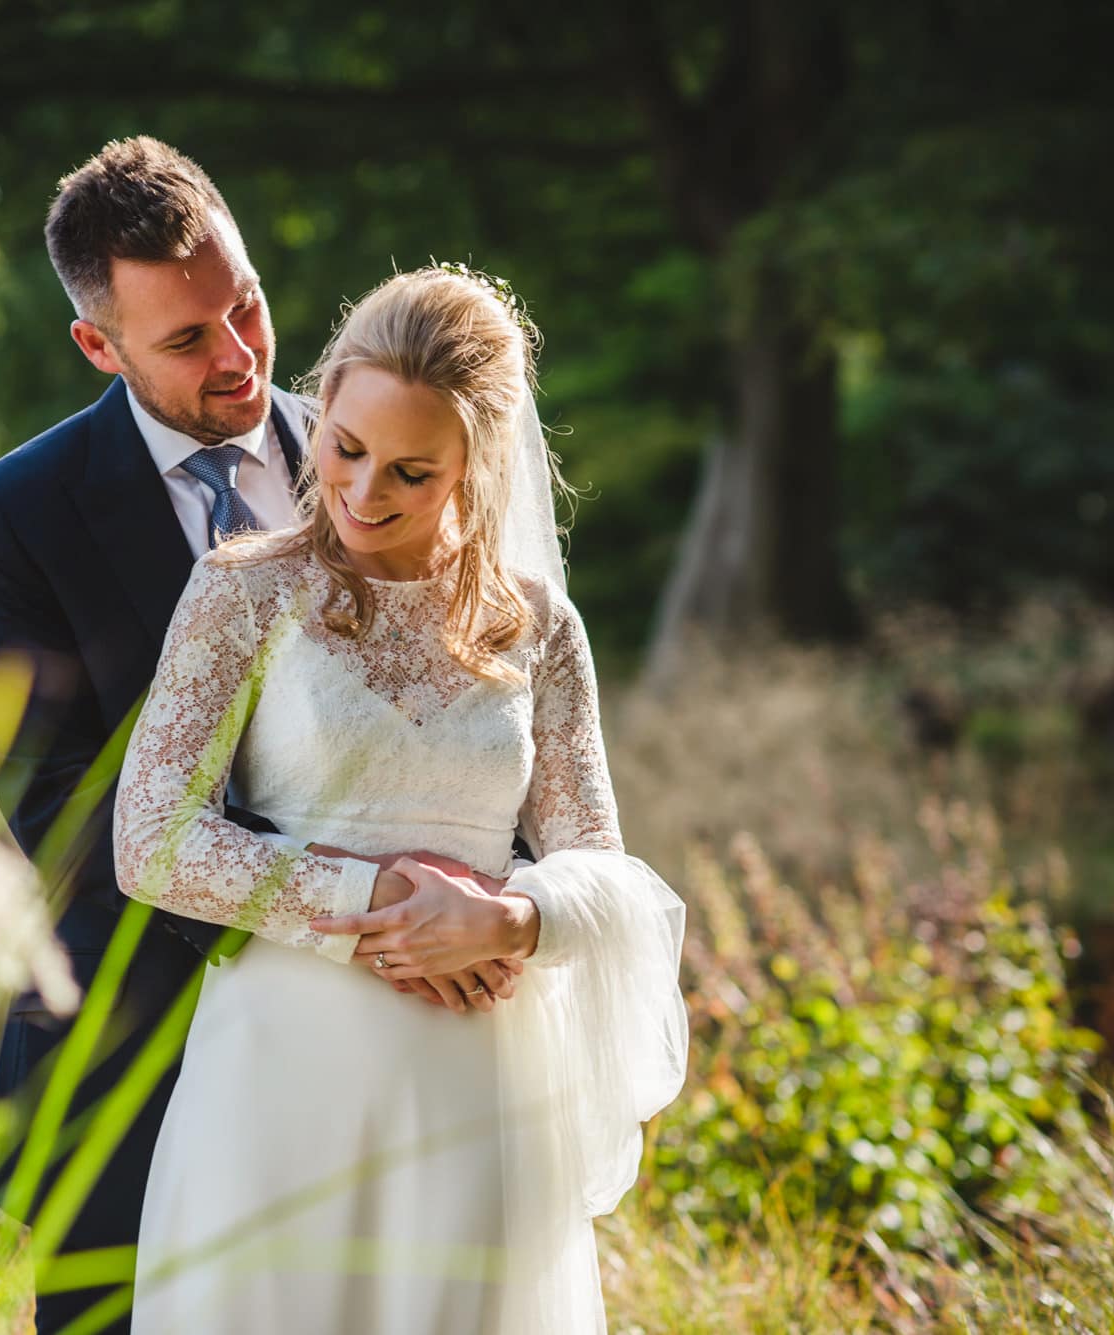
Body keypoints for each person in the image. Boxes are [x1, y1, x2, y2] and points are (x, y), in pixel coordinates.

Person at [0, 138, 522, 1331]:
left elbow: (481, 722)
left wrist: (479, 906)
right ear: (96, 347)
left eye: (246, 305)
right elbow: (56, 805)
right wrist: (362, 897)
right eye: (185, 339)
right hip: (133, 1052)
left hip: (403, 1053)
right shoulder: (16, 515)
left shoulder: (388, 447)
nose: (239, 355)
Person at [111, 266, 690, 1332]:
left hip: (478, 1090)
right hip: (283, 1073)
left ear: (478, 467)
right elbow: (149, 840)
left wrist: (510, 917)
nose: (364, 492)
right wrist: (374, 899)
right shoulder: (244, 592)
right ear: (320, 407)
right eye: (345, 448)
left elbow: (597, 862)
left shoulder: (538, 625)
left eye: (412, 471)